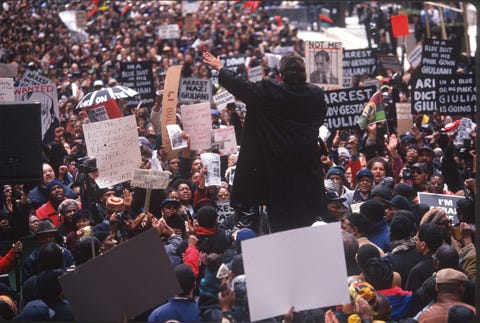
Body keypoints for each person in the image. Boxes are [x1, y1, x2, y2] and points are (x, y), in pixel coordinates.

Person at [203, 51, 327, 233]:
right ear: (304, 73)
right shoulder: (315, 95)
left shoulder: (270, 90)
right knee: (306, 228)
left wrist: (220, 68)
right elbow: (320, 118)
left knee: (281, 230)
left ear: (281, 74)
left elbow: (242, 87)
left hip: (276, 178)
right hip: (307, 174)